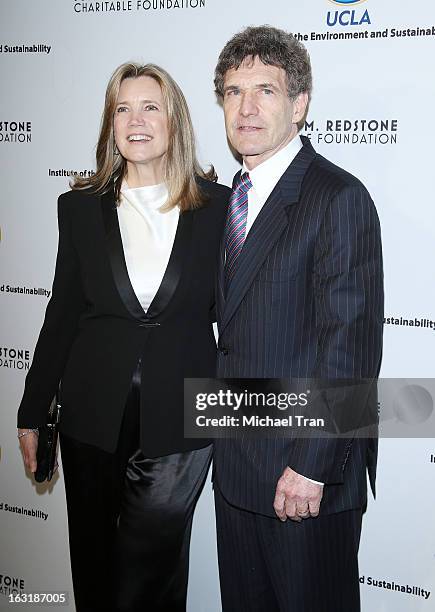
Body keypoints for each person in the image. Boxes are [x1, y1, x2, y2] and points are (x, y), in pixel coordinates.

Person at [17, 62, 230, 612]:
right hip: (90, 415)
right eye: (122, 108)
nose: (136, 120)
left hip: (182, 419)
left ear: (174, 121)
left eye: (150, 107)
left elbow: (236, 316)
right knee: (92, 567)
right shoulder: (80, 207)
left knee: (150, 580)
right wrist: (32, 408)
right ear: (110, 124)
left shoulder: (219, 207)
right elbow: (62, 310)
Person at [212, 26, 384, 611]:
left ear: (300, 103)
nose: (248, 107)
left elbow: (351, 351)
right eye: (234, 92)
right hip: (235, 472)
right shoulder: (228, 200)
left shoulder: (338, 197)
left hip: (305, 477)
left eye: (265, 89)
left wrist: (311, 467)